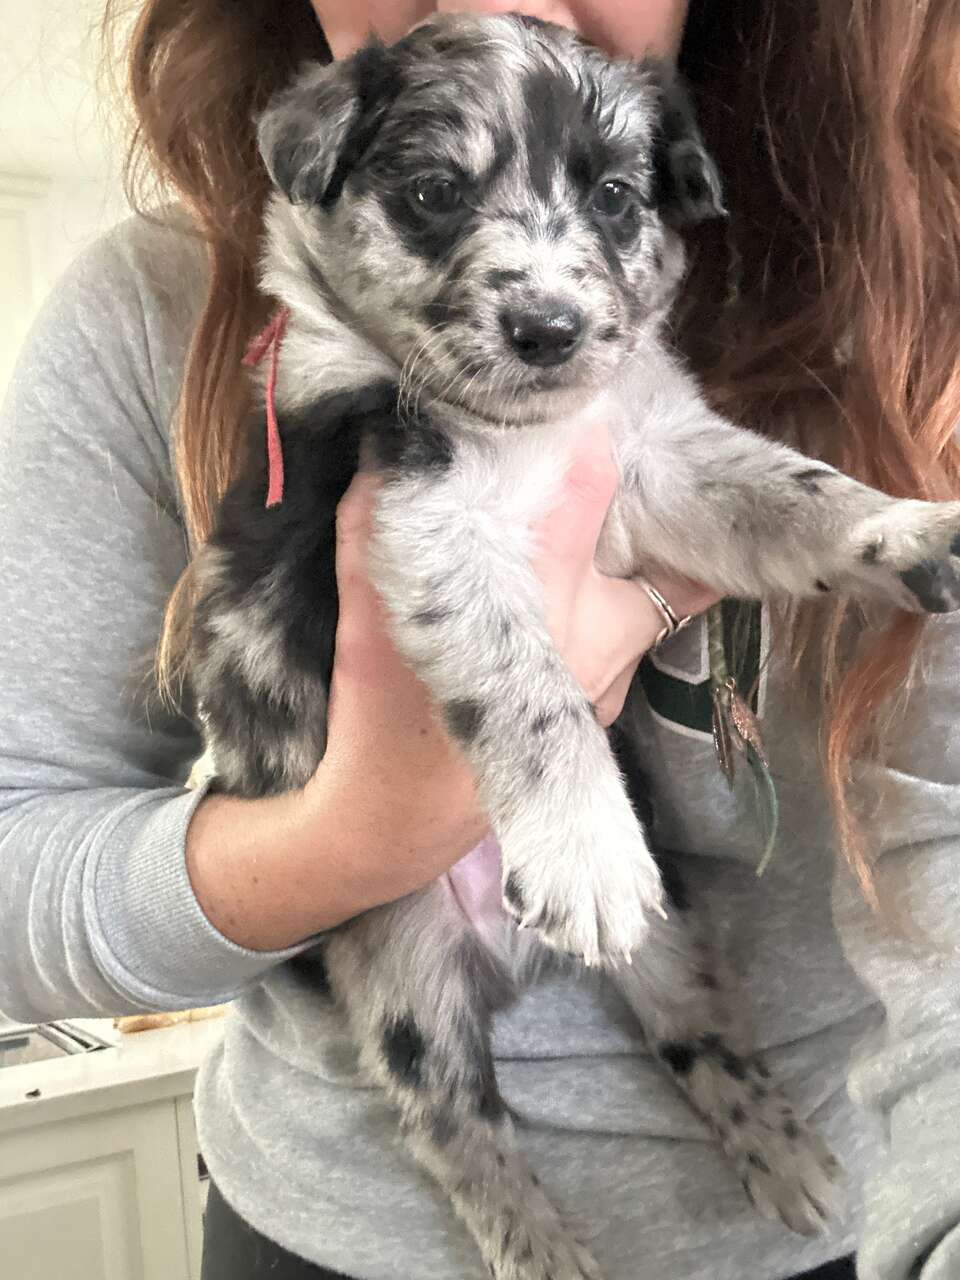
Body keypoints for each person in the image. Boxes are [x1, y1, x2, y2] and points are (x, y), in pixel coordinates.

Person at [1, 0, 957, 1277]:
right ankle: (500, 1205)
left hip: (834, 1223)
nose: (549, 289)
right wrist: (357, 837)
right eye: (439, 196)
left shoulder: (910, 297)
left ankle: (736, 1100)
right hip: (322, 1222)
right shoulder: (177, 315)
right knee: (420, 991)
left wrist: (877, 533)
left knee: (661, 949)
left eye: (607, 200)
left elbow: (694, 479)